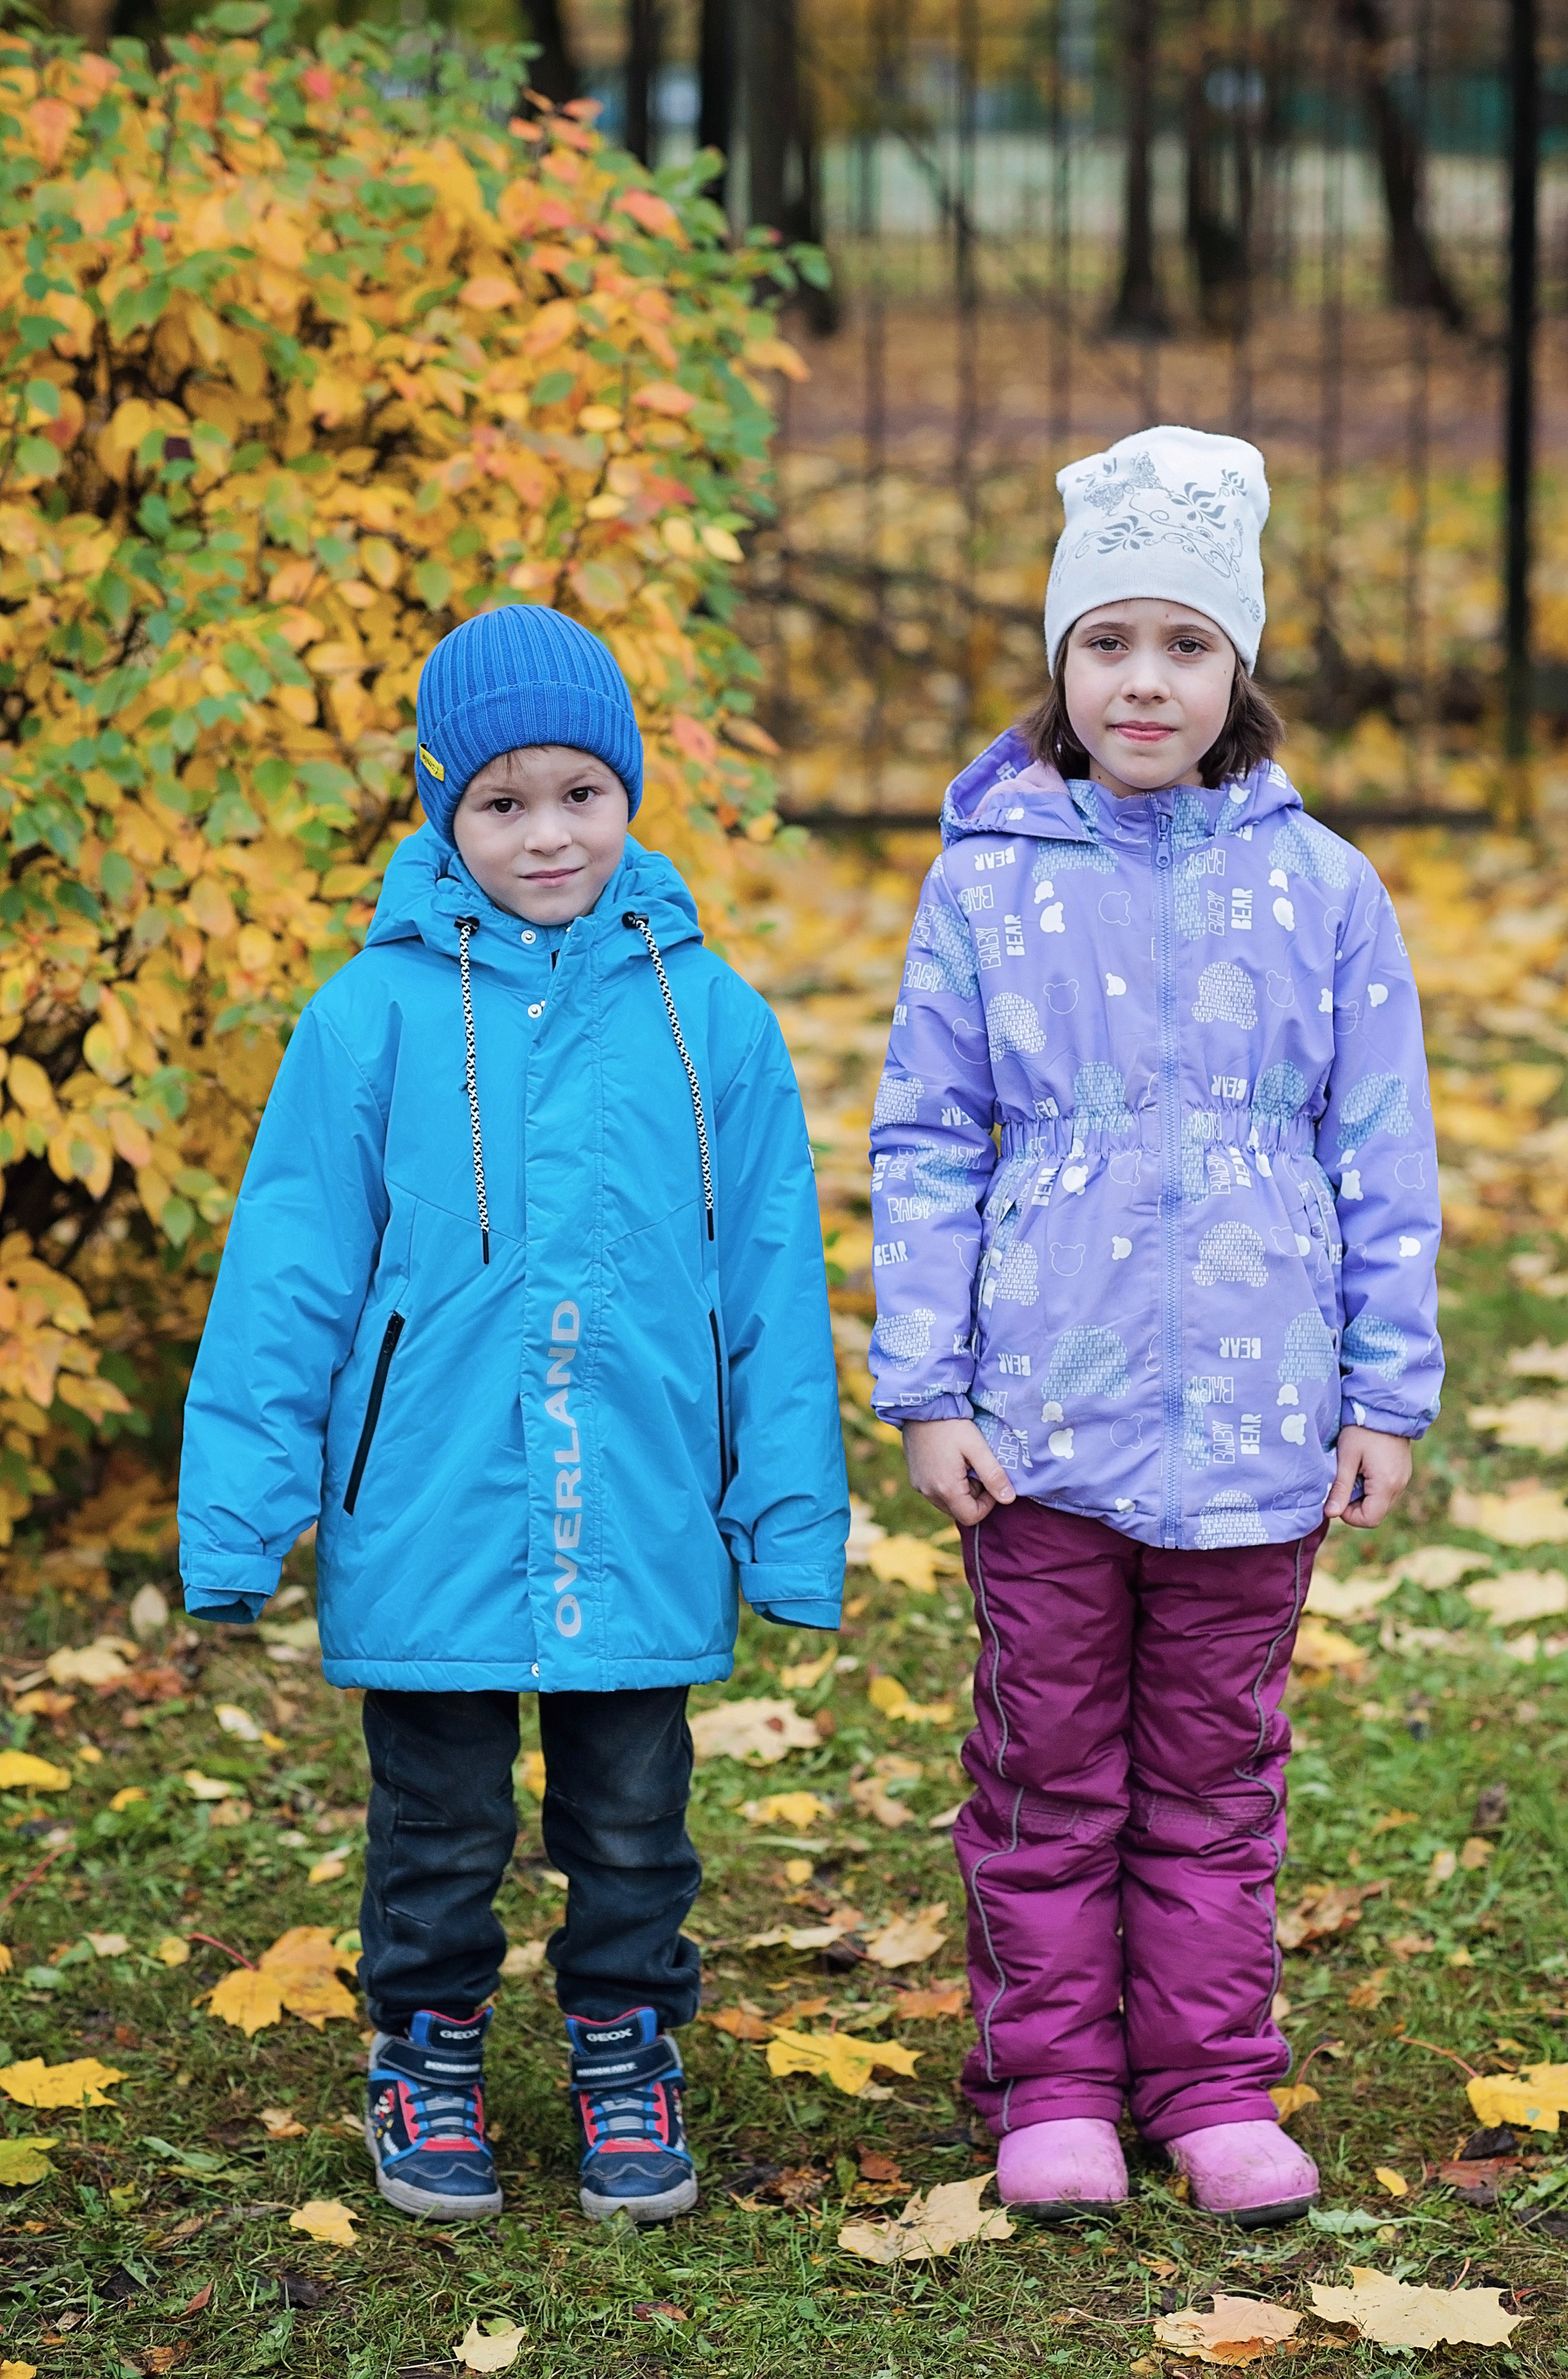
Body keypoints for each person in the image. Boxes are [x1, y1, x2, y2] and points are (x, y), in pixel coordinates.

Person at [179, 603, 847, 2227]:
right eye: (501, 802)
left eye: (579, 794)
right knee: (436, 1820)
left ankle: (626, 2041)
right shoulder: (368, 1018)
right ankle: (425, 2046)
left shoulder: (711, 1017)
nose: (546, 835)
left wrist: (788, 1520)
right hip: (431, 1499)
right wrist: (241, 1515)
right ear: (442, 811)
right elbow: (288, 1272)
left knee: (633, 1820)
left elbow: (767, 1278)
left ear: (628, 794)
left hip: (642, 1499)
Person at [867, 426, 1442, 2227]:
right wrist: (928, 1388)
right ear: (1059, 661)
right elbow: (926, 1137)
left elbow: (1381, 1145)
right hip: (1040, 1433)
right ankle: (1049, 2083)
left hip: (1260, 1433)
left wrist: (1384, 1393)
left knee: (1211, 1772)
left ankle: (1207, 2081)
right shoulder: (983, 883)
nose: (1142, 679)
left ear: (1236, 667)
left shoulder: (1322, 887)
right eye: (1105, 640)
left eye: (1184, 643)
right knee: (1047, 1766)